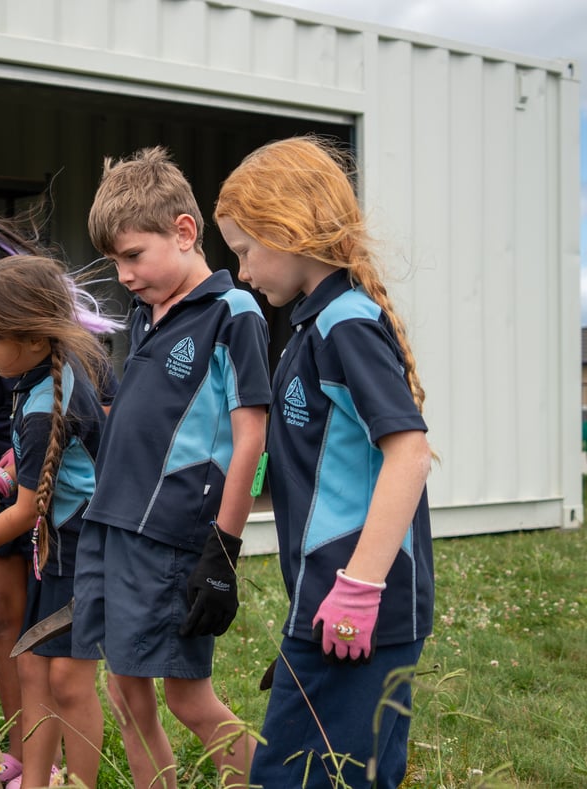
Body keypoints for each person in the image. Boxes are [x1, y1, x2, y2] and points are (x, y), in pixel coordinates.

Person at [214, 135, 433, 789]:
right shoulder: (311, 329)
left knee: (293, 776)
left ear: (289, 228)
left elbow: (410, 454)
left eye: (246, 251)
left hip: (357, 606)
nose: (245, 273)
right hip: (324, 598)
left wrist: (360, 591)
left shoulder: (346, 324)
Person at [76, 146, 271, 789]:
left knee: (187, 700)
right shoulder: (144, 312)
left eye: (134, 255)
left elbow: (251, 439)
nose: (125, 274)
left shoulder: (233, 313)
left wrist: (224, 550)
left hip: (173, 538)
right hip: (113, 523)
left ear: (184, 232)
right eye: (115, 262)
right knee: (127, 697)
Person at [0, 218, 120, 784]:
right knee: (34, 671)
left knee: (67, 682)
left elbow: (27, 510)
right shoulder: (36, 381)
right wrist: (3, 476)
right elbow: (30, 462)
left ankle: (79, 782)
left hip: (79, 552)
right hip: (52, 551)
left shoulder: (45, 404)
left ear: (31, 337)